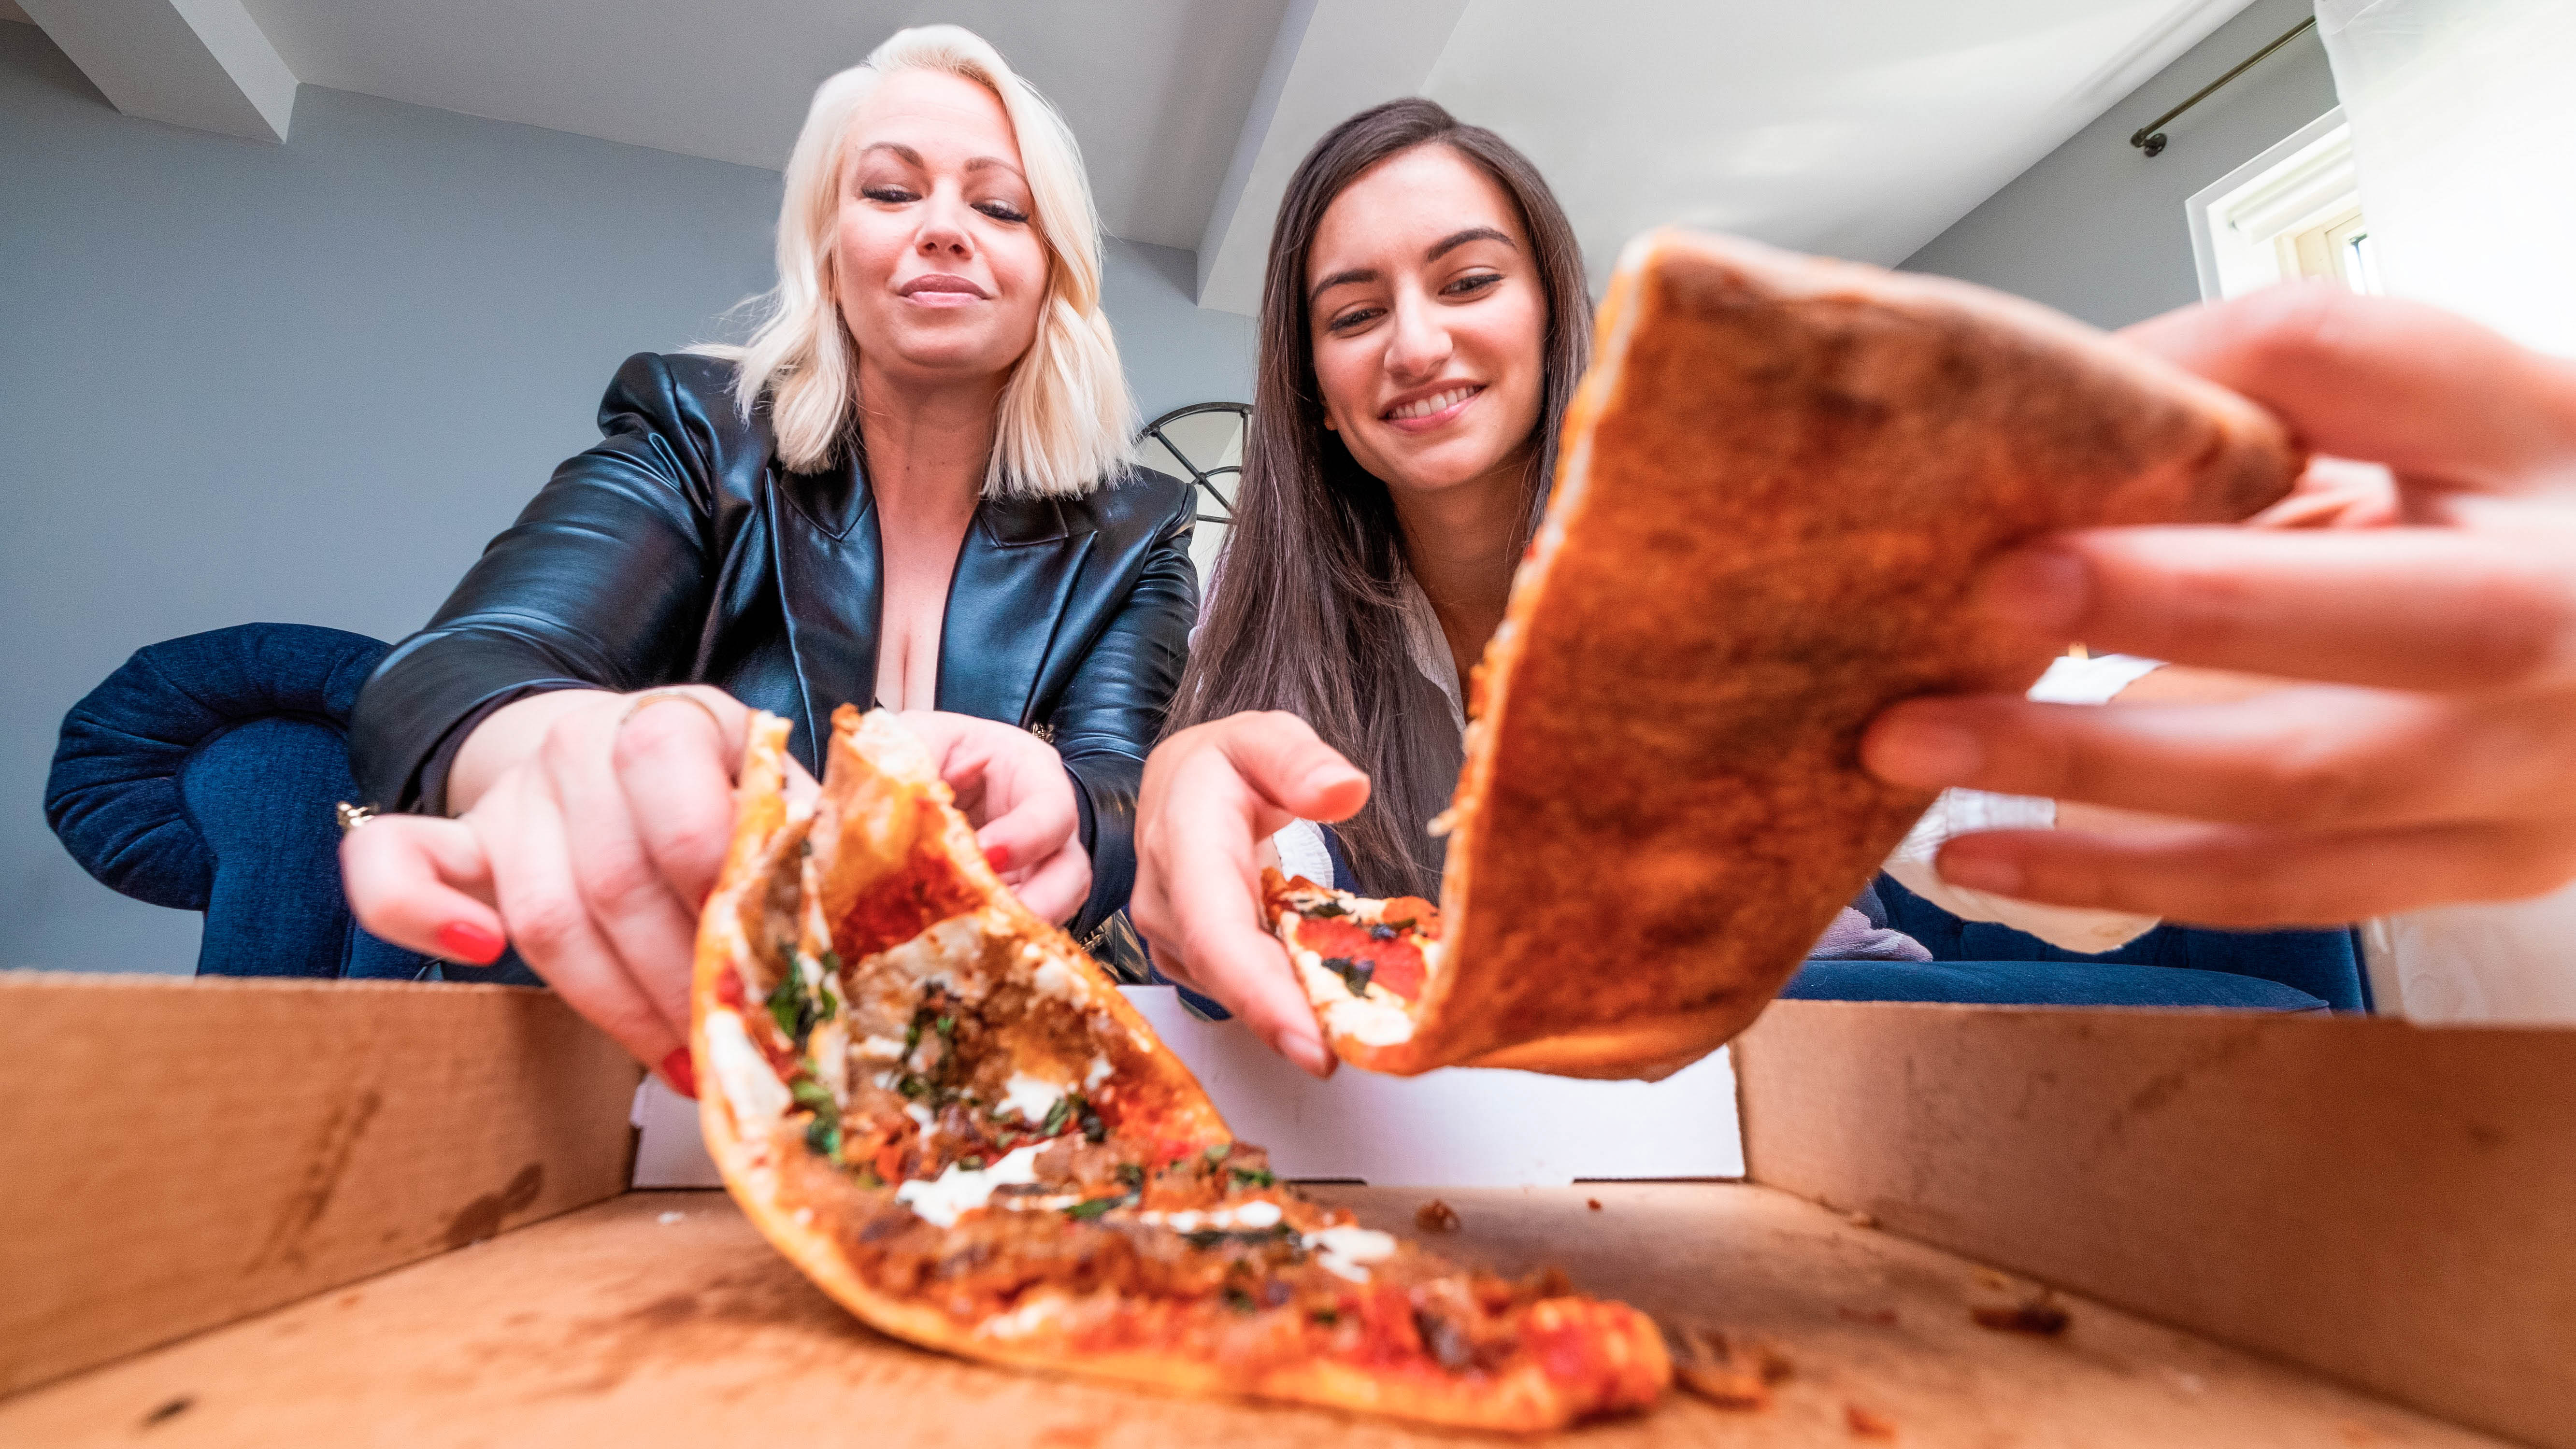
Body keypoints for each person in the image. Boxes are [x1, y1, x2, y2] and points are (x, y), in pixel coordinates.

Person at [1128, 99, 2244, 1076]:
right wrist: (1209, 844)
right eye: (1354, 314)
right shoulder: (1263, 590)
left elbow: (1982, 760)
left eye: (1468, 281)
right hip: (1451, 1107)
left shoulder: (1715, 541)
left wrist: (2281, 720)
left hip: (1800, 1055)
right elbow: (1275, 864)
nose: (1415, 344)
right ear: (1314, 386)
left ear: (1551, 316)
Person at [340, 26, 1196, 1093]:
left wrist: (1072, 815)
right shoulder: (694, 430)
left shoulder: (1140, 526)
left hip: (947, 1062)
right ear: (828, 255)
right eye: (889, 194)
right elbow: (461, 667)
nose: (942, 229)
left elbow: (1123, 784)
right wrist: (577, 747)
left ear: (1051, 273)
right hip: (650, 1054)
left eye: (998, 206)